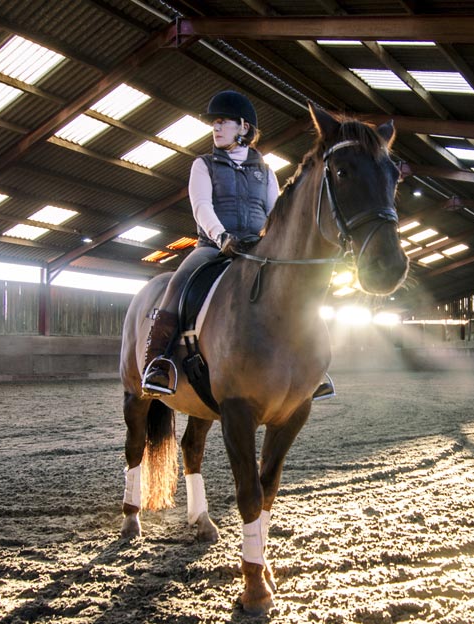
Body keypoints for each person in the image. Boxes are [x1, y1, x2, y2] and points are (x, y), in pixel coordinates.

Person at [140, 90, 335, 400]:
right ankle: (158, 363)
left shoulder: (265, 171)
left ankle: (312, 367)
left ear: (244, 128)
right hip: (213, 246)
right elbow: (202, 206)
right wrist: (221, 237)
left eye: (222, 123)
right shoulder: (203, 165)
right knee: (176, 287)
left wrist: (271, 244)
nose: (215, 129)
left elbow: (276, 214)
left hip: (256, 249)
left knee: (299, 291)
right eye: (214, 124)